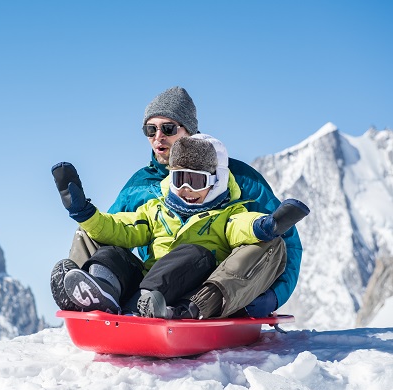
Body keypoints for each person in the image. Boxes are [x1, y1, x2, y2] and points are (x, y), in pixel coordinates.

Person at [50, 86, 304, 318]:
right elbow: (117, 229)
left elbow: (278, 240)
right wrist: (85, 213)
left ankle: (179, 306)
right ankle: (91, 297)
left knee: (266, 241)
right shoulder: (142, 185)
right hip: (150, 277)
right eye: (151, 129)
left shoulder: (238, 180)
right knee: (89, 232)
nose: (158, 137)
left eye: (168, 128)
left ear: (189, 131)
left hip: (203, 281)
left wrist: (274, 296)